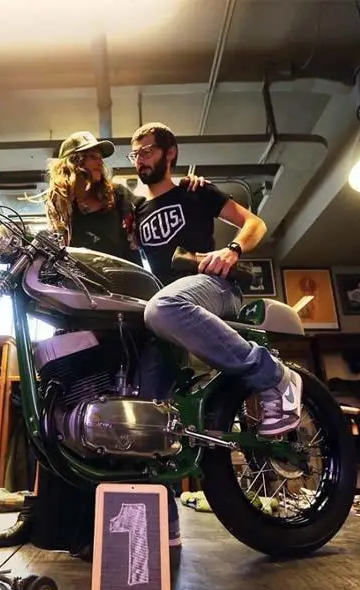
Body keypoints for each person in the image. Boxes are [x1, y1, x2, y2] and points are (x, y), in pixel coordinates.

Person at [0, 130, 206, 550]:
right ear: (71, 164)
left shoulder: (120, 198)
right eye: (89, 156)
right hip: (75, 315)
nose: (98, 163)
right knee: (52, 411)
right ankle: (40, 514)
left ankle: (116, 523)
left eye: (99, 157)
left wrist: (187, 187)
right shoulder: (62, 211)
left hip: (122, 314)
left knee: (120, 413)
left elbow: (158, 205)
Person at [127, 122, 303, 436]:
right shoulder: (137, 212)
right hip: (167, 310)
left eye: (148, 151)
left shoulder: (195, 191)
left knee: (162, 306)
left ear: (170, 153)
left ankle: (274, 377)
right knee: (144, 416)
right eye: (135, 154)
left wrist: (232, 250)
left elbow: (255, 223)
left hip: (215, 286)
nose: (140, 159)